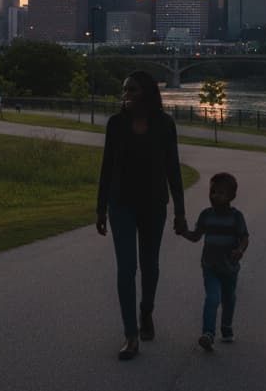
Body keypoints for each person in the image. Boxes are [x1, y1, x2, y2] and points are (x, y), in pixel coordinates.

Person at [96, 70, 188, 360]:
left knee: (150, 266)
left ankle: (146, 311)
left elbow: (173, 169)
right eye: (124, 90)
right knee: (126, 268)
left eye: (132, 90)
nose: (126, 95)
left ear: (147, 93)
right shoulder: (116, 125)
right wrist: (100, 208)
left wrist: (180, 212)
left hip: (153, 205)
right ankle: (130, 334)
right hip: (120, 204)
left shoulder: (164, 125)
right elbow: (106, 167)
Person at [180, 172, 250, 351]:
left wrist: (240, 250)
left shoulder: (236, 217)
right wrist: (183, 232)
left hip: (229, 268)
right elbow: (196, 236)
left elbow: (244, 237)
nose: (214, 196)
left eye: (220, 193)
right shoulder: (206, 215)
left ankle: (226, 327)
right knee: (212, 298)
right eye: (212, 192)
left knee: (228, 299)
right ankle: (208, 333)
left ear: (231, 196)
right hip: (210, 266)